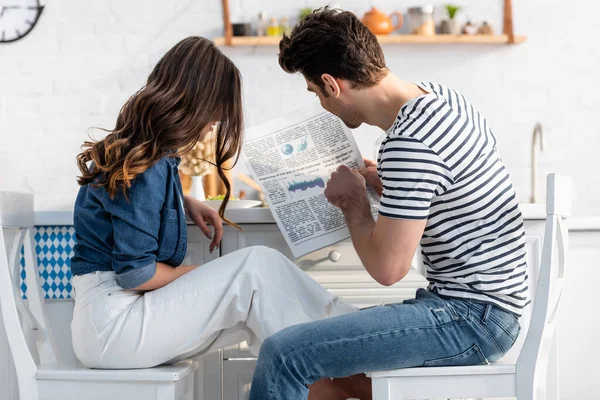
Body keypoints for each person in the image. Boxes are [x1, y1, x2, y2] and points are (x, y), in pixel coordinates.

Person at [249, 8, 528, 400]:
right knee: (317, 379)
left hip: (470, 319)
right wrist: (387, 181)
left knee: (283, 354)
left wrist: (352, 202)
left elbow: (388, 269)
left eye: (316, 93)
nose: (322, 105)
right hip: (490, 310)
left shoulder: (408, 144)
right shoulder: (441, 99)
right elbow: (450, 186)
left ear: (331, 84)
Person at [69, 36, 357, 371]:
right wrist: (209, 274)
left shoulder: (138, 153)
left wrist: (182, 200)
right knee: (256, 268)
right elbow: (136, 275)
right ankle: (352, 335)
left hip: (106, 322)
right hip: (114, 326)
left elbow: (127, 203)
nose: (212, 127)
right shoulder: (148, 164)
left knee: (266, 310)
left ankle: (331, 373)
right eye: (215, 115)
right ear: (194, 103)